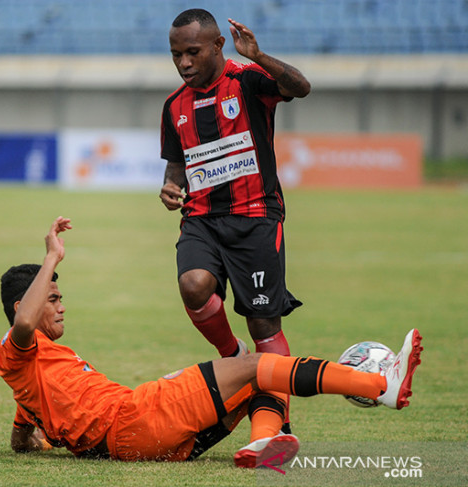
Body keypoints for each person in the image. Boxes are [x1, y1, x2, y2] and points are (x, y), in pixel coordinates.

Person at [0, 217, 423, 468]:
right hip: (136, 418)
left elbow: (21, 436)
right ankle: (380, 385)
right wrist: (52, 257)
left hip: (143, 443)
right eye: (53, 298)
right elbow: (25, 324)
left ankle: (265, 442)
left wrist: (39, 440)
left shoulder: (30, 380)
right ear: (22, 306)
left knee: (256, 377)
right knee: (260, 363)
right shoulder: (17, 349)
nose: (61, 306)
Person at [159, 8, 310, 451]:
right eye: (175, 55)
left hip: (256, 218)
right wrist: (171, 187)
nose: (184, 63)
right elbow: (176, 164)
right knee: (193, 285)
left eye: (192, 52)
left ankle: (272, 428)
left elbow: (300, 87)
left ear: (218, 46)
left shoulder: (246, 81)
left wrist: (260, 56)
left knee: (264, 324)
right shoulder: (173, 106)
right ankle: (233, 358)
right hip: (202, 220)